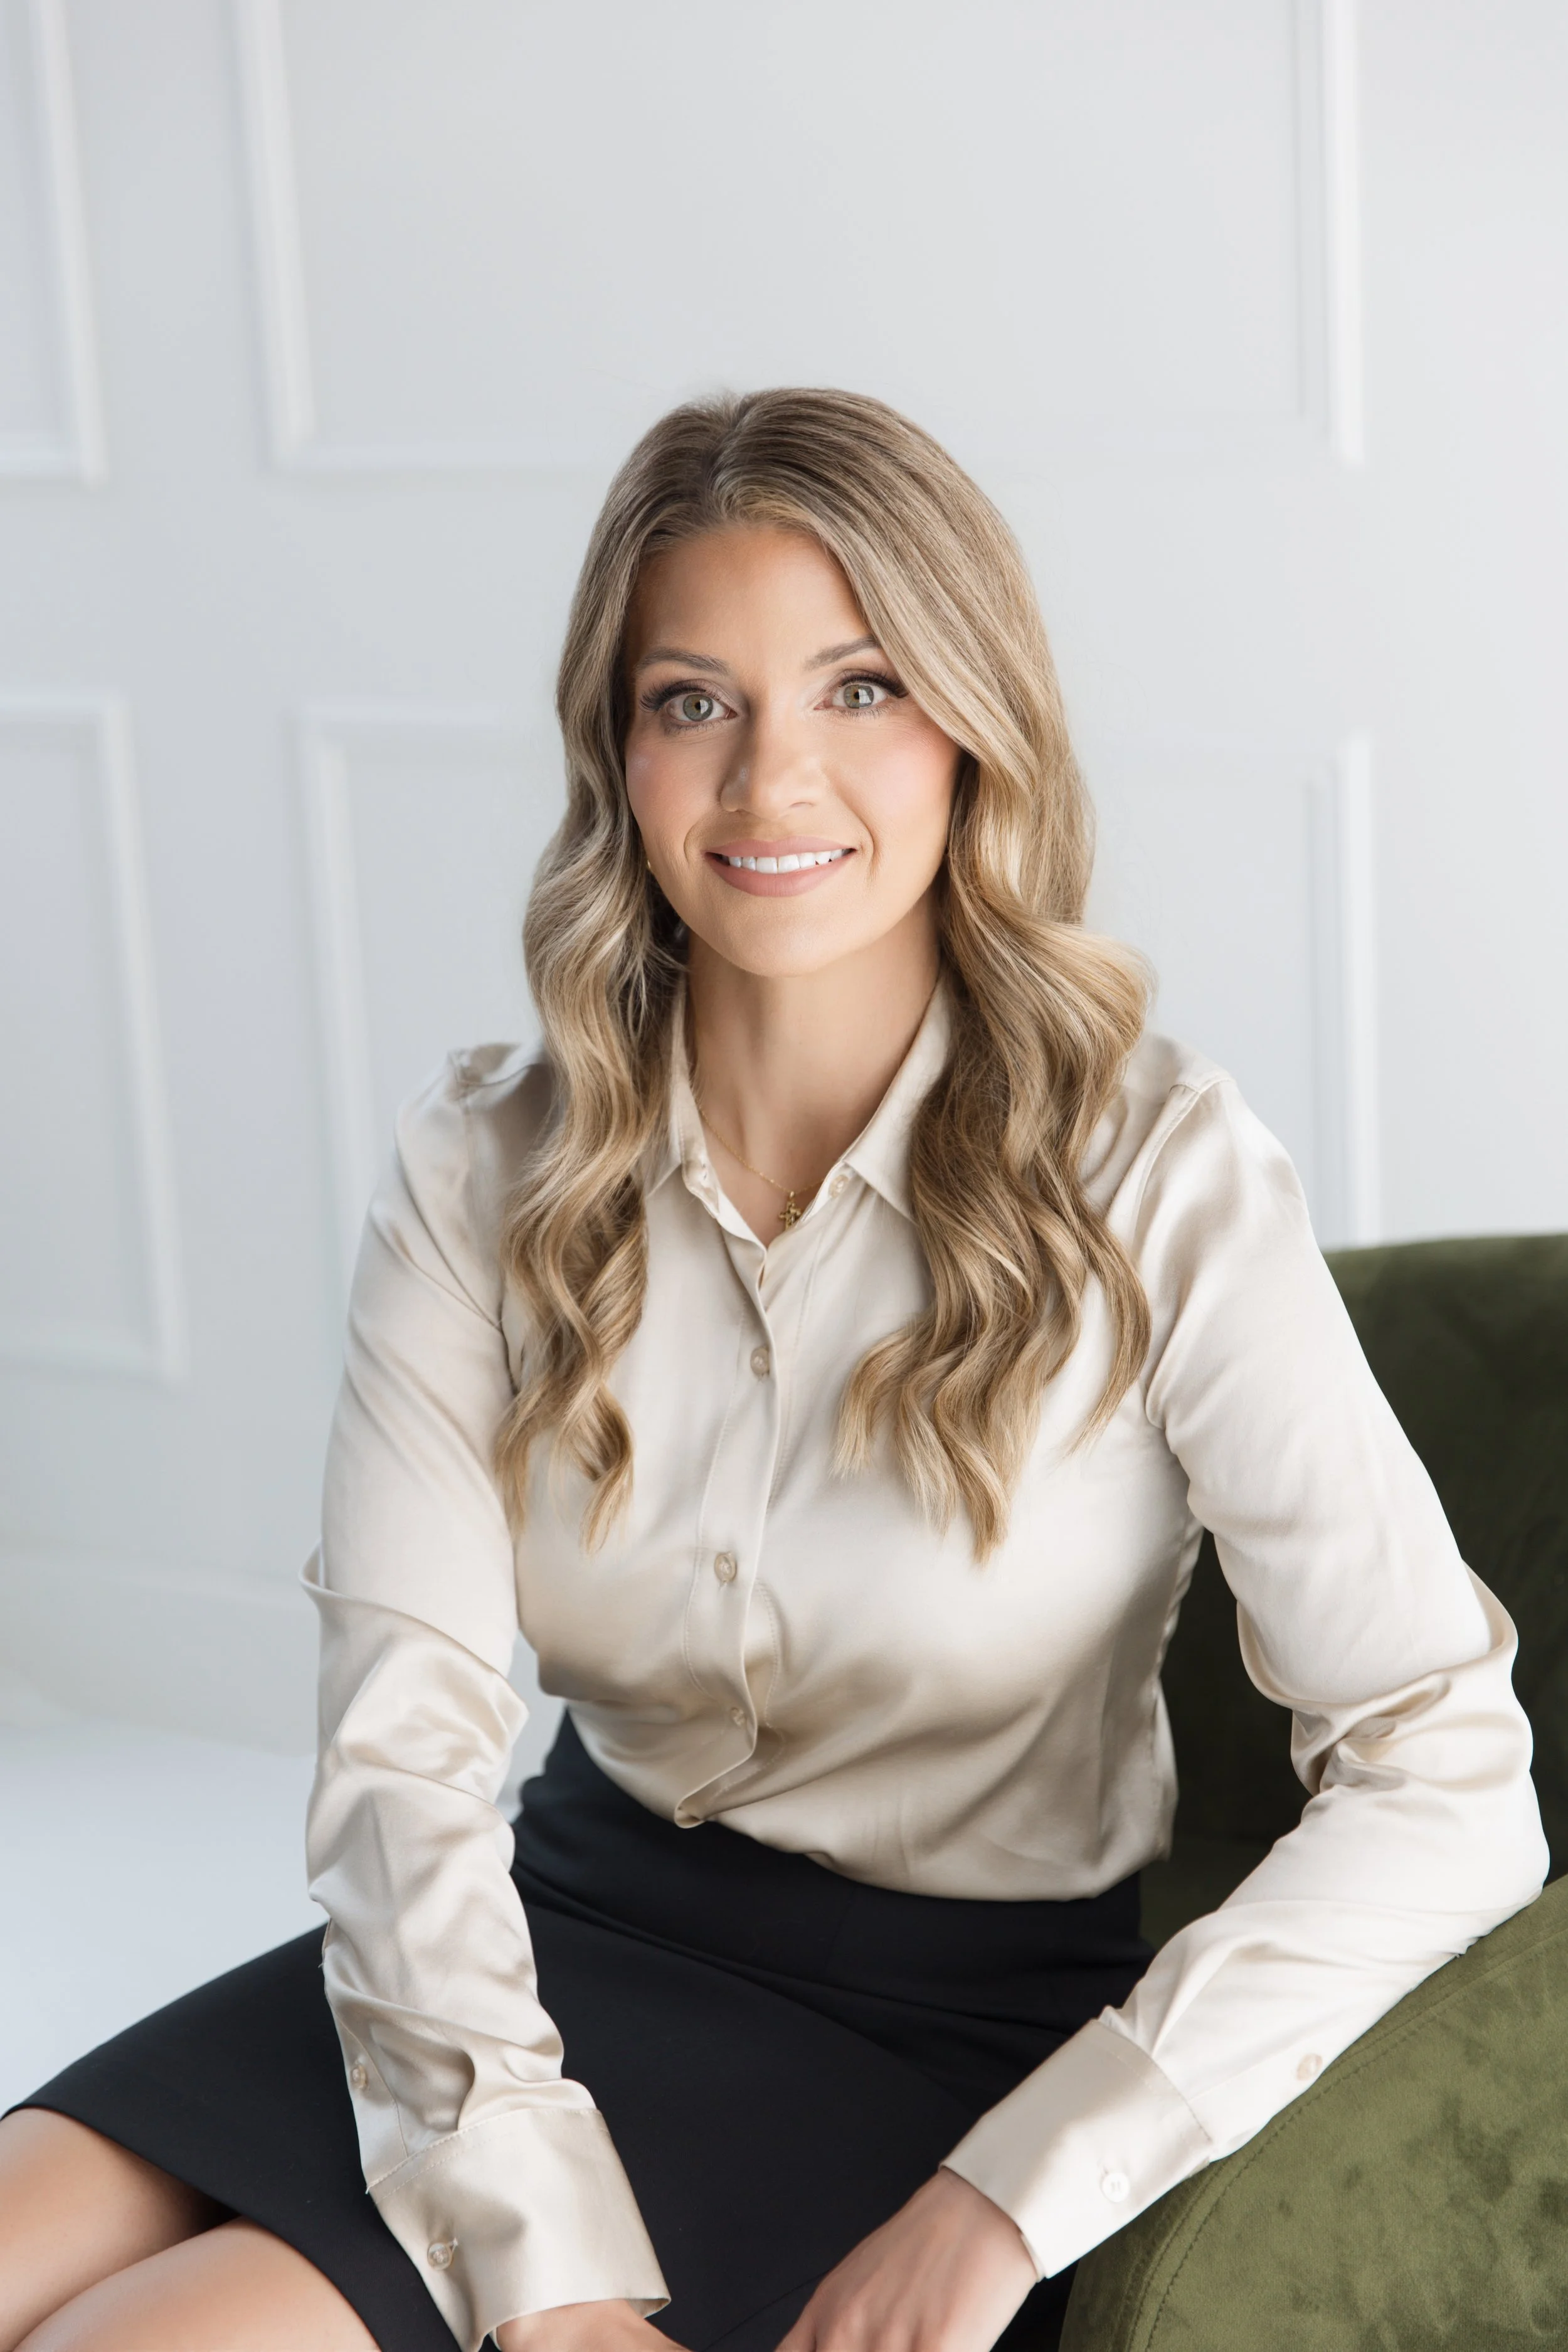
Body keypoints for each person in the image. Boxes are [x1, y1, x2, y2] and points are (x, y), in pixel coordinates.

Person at [0, 389, 1546, 2352]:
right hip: (517, 1961)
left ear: (974, 723)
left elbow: (1446, 1772)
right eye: (692, 699)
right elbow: (403, 1760)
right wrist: (536, 2275)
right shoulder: (482, 1164)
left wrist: (1008, 2196)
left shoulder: (1157, 1177)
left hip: (920, 2038)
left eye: (862, 686)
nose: (770, 778)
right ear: (616, 751)